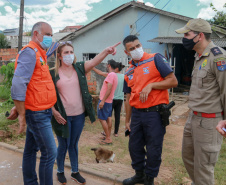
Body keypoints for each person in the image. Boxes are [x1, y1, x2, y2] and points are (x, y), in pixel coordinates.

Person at [50, 42, 120, 184]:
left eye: (71, 52)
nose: (70, 55)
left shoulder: (80, 68)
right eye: (66, 53)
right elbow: (47, 95)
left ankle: (75, 172)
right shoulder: (53, 73)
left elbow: (95, 61)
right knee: (63, 145)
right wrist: (54, 112)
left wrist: (106, 51)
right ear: (59, 56)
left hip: (79, 115)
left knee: (74, 144)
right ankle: (60, 171)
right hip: (62, 116)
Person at [175, 18, 226, 185]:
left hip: (210, 121)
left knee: (204, 167)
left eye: (187, 34)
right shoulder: (199, 57)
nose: (184, 38)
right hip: (193, 118)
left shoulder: (218, 57)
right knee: (188, 158)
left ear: (200, 36)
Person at [122, 35, 178, 185]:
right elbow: (128, 97)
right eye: (131, 49)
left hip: (155, 113)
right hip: (137, 114)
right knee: (134, 146)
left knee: (154, 147)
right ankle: (139, 174)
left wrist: (152, 85)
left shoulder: (155, 59)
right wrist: (127, 120)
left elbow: (173, 81)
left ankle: (149, 178)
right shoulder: (128, 72)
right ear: (127, 52)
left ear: (141, 45)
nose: (136, 50)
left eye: (137, 46)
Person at [10, 22, 57, 185]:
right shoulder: (30, 53)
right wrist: (22, 113)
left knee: (30, 150)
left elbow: (30, 85)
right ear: (36, 34)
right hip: (37, 114)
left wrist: (19, 107)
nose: (50, 38)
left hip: (41, 111)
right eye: (48, 34)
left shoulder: (40, 53)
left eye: (52, 34)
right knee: (50, 153)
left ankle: (30, 182)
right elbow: (17, 85)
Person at [93, 61, 125, 137]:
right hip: (117, 99)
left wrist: (93, 68)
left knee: (105, 117)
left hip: (108, 99)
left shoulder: (111, 75)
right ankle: (114, 133)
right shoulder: (121, 76)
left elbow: (109, 88)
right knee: (114, 116)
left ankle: (107, 135)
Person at [97, 59, 118, 145]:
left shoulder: (110, 75)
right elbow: (100, 73)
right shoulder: (113, 75)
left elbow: (109, 88)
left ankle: (108, 138)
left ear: (109, 65)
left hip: (105, 101)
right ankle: (107, 136)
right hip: (109, 101)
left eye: (106, 65)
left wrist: (103, 101)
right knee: (108, 118)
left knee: (102, 119)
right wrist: (92, 68)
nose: (106, 66)